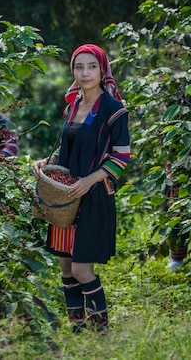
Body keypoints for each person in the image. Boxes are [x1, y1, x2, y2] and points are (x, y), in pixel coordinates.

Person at [32, 44, 131, 334]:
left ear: (103, 71)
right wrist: (46, 162)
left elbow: (121, 156)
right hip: (65, 196)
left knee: (81, 269)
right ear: (73, 71)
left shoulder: (114, 109)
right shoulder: (73, 105)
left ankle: (101, 331)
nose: (85, 73)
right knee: (65, 266)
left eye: (91, 67)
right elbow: (67, 148)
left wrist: (88, 181)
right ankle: (77, 328)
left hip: (92, 196)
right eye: (79, 67)